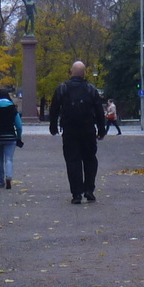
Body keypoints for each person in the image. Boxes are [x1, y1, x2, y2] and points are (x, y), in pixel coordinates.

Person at [49, 61, 106, 204]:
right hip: (88, 130)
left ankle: (76, 194)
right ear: (84, 73)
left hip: (70, 130)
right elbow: (99, 111)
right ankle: (89, 189)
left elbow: (54, 109)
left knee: (72, 161)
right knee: (90, 159)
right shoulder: (91, 89)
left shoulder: (62, 89)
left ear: (71, 71)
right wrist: (101, 129)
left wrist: (53, 127)